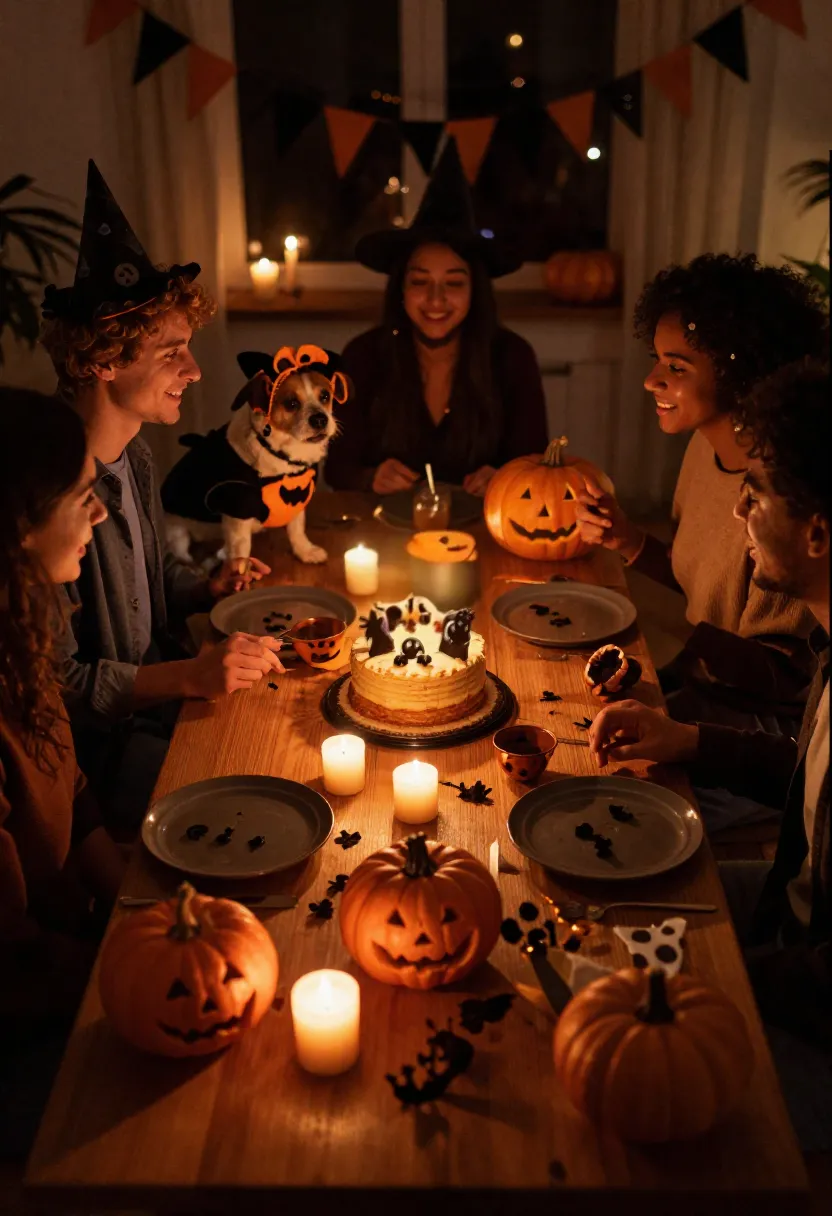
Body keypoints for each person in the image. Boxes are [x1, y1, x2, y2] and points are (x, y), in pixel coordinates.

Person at [588, 361, 830, 1151]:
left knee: (618, 1095)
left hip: (813, 1014)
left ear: (818, 531)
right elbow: (809, 779)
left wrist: (709, 981)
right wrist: (687, 740)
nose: (739, 508)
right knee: (595, 900)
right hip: (790, 913)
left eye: (756, 493)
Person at [39, 161, 283, 833]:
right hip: (107, 765)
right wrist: (187, 678)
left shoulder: (136, 455)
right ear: (104, 358)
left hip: (164, 710)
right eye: (172, 351)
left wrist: (205, 586)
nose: (195, 370)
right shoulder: (49, 496)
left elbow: (153, 580)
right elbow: (64, 686)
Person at [575, 254, 827, 827]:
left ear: (739, 371)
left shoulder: (785, 493)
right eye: (655, 360)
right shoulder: (703, 450)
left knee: (621, 813)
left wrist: (667, 676)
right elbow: (712, 585)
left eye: (677, 367)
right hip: (712, 687)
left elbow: (782, 676)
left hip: (772, 726)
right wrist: (631, 541)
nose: (652, 380)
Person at [0, 389, 128, 1159]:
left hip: (71, 944)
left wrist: (134, 910)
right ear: (21, 522)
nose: (101, 515)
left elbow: (71, 792)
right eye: (85, 497)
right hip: (22, 1025)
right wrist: (129, 966)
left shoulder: (23, 624)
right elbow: (9, 955)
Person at [325, 140, 548, 497]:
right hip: (384, 533)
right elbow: (337, 469)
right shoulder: (364, 355)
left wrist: (507, 477)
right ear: (400, 288)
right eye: (420, 281)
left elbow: (538, 465)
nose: (436, 300)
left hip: (488, 529)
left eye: (454, 283)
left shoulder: (512, 356)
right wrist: (370, 478)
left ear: (476, 291)